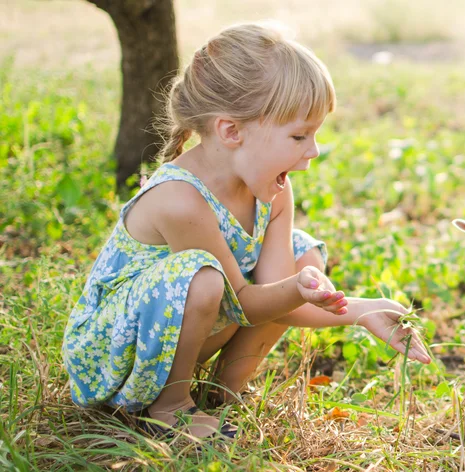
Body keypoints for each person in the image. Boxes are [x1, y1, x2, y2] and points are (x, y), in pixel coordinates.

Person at [61, 22, 431, 441]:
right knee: (204, 278)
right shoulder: (181, 199)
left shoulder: (274, 192)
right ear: (231, 131)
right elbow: (246, 306)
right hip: (112, 354)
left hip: (175, 336)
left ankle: (224, 392)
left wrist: (362, 310)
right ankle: (170, 408)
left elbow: (276, 299)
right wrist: (302, 290)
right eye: (299, 135)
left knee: (302, 255)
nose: (313, 150)